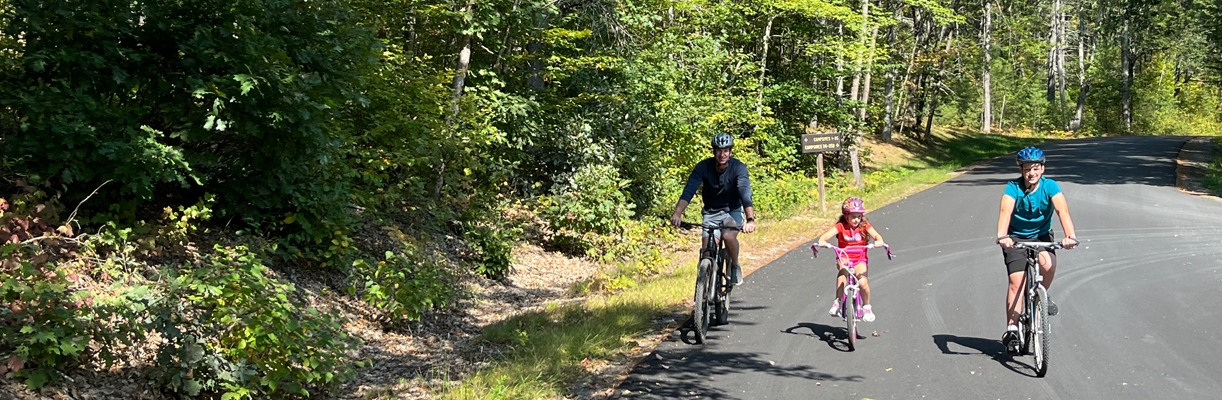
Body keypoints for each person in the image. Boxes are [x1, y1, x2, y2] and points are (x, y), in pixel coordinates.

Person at [996, 146, 1079, 354]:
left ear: (1042, 169)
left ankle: (1042, 294)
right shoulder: (1013, 187)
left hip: (1041, 235)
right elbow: (1005, 212)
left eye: (1035, 168)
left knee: (1048, 265)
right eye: (1027, 169)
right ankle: (1013, 330)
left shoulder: (1050, 187)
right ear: (1021, 170)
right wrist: (1003, 236)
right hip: (1015, 237)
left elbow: (1063, 212)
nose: (1031, 173)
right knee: (1017, 282)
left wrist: (1070, 236)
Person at [670, 132, 757, 286]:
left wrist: (750, 219)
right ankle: (701, 301)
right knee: (707, 253)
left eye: (725, 150)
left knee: (729, 236)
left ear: (730, 152)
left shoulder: (738, 168)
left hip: (732, 211)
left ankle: (735, 266)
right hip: (711, 212)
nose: (722, 154)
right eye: (718, 150)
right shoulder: (704, 167)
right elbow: (689, 191)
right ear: (714, 151)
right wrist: (677, 213)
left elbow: (745, 193)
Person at [816, 197, 886, 322]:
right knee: (843, 271)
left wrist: (879, 241)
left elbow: (876, 235)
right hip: (844, 256)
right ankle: (837, 302)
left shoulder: (865, 226)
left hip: (860, 258)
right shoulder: (841, 226)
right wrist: (822, 241)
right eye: (853, 216)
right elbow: (826, 236)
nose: (856, 219)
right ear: (846, 216)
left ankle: (867, 307)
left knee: (863, 282)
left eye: (859, 216)